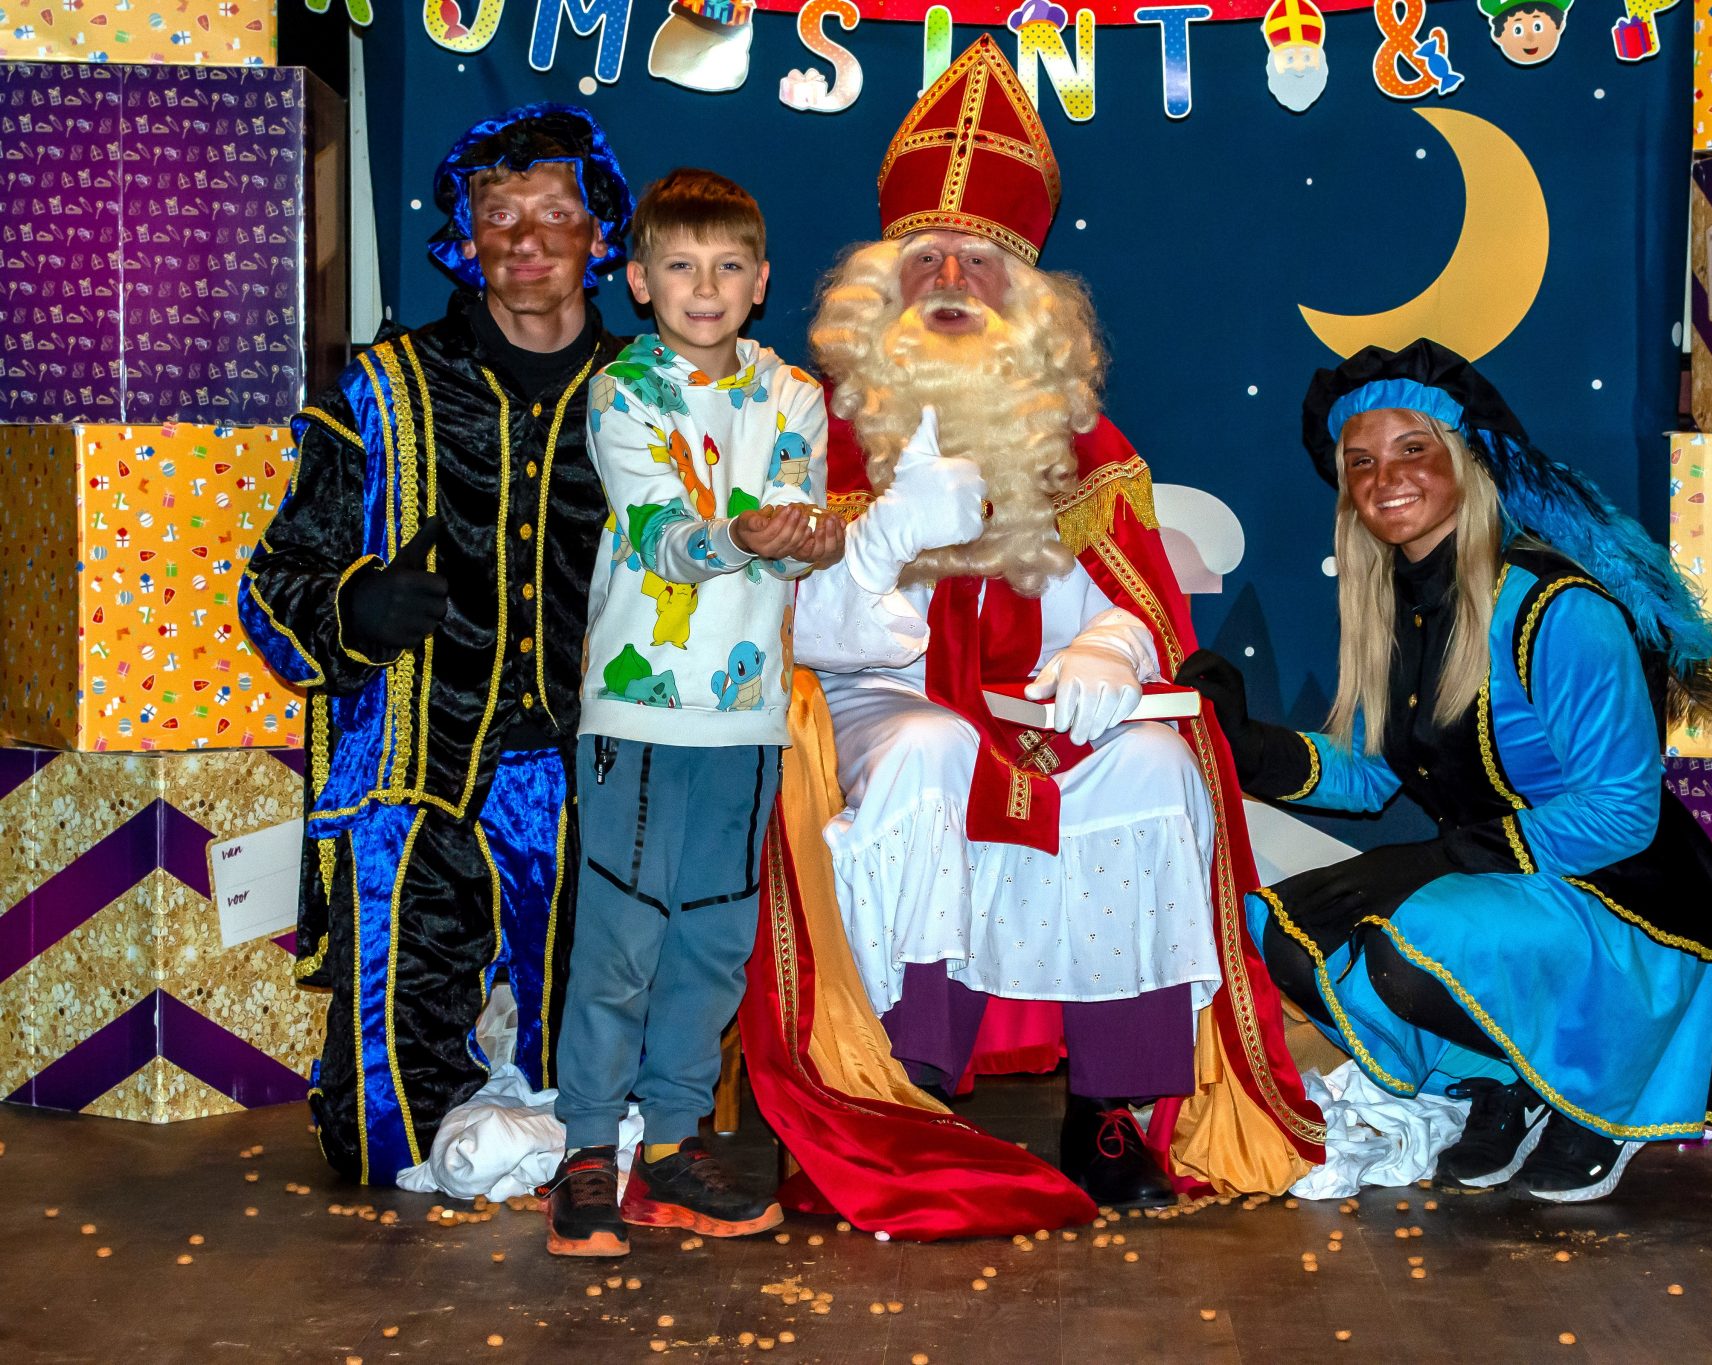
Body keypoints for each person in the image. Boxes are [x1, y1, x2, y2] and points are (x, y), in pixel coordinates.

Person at [734, 37, 1323, 1239]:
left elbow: (1133, 599)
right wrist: (890, 540)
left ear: (1027, 298)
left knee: (1152, 765)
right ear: (882, 285)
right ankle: (903, 1082)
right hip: (869, 703)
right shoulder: (812, 424)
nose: (951, 277)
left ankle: (1107, 1108)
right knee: (932, 753)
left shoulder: (1079, 442)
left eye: (981, 261)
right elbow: (795, 621)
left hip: (1026, 707)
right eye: (926, 257)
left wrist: (1107, 653)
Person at [1181, 339, 1712, 1204]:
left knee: (1405, 944)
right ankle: (1508, 1078)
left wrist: (1433, 859)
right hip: (1512, 892)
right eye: (1360, 461)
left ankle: (1597, 1094)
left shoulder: (1559, 609)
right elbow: (1368, 775)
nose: (1385, 478)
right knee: (1284, 933)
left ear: (1465, 458)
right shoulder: (1396, 607)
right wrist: (1242, 742)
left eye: (1412, 448)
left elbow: (1621, 813)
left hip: (1626, 907)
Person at [239, 105, 633, 1185]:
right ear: (464, 238)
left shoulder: (649, 394)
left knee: (595, 1099)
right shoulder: (383, 390)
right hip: (417, 781)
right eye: (498, 215)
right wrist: (355, 611)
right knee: (382, 1137)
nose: (526, 239)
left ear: (601, 235)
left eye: (555, 213)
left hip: (596, 780)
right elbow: (275, 584)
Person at [540, 169, 839, 1257]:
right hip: (638, 716)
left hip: (748, 721)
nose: (703, 288)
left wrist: (813, 538)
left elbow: (801, 522)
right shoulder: (622, 391)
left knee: (712, 941)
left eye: (726, 268)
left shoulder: (791, 392)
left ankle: (669, 1146)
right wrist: (747, 536)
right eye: (679, 266)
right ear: (637, 281)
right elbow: (664, 535)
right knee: (620, 939)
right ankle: (585, 1148)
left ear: (759, 282)